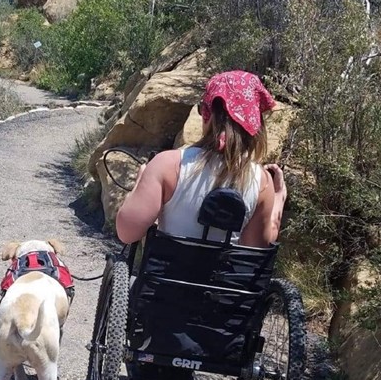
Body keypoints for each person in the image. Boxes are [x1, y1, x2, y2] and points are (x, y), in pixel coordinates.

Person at [116, 70, 287, 248]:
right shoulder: (262, 182)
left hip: (168, 272)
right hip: (222, 276)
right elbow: (256, 248)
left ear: (207, 113)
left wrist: (141, 180)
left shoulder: (167, 165)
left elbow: (127, 232)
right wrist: (278, 198)